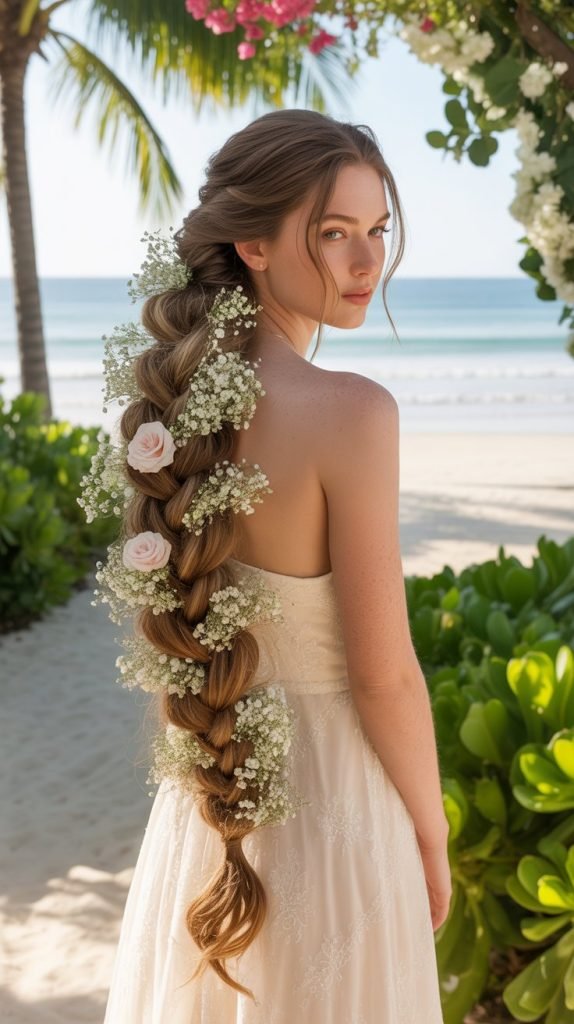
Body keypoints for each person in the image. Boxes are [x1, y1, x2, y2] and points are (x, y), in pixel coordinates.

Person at [101, 107, 451, 1023]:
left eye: (376, 231)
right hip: (341, 808)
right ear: (252, 243)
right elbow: (384, 676)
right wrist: (433, 831)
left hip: (208, 813)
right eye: (333, 233)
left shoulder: (168, 416)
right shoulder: (353, 413)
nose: (366, 262)